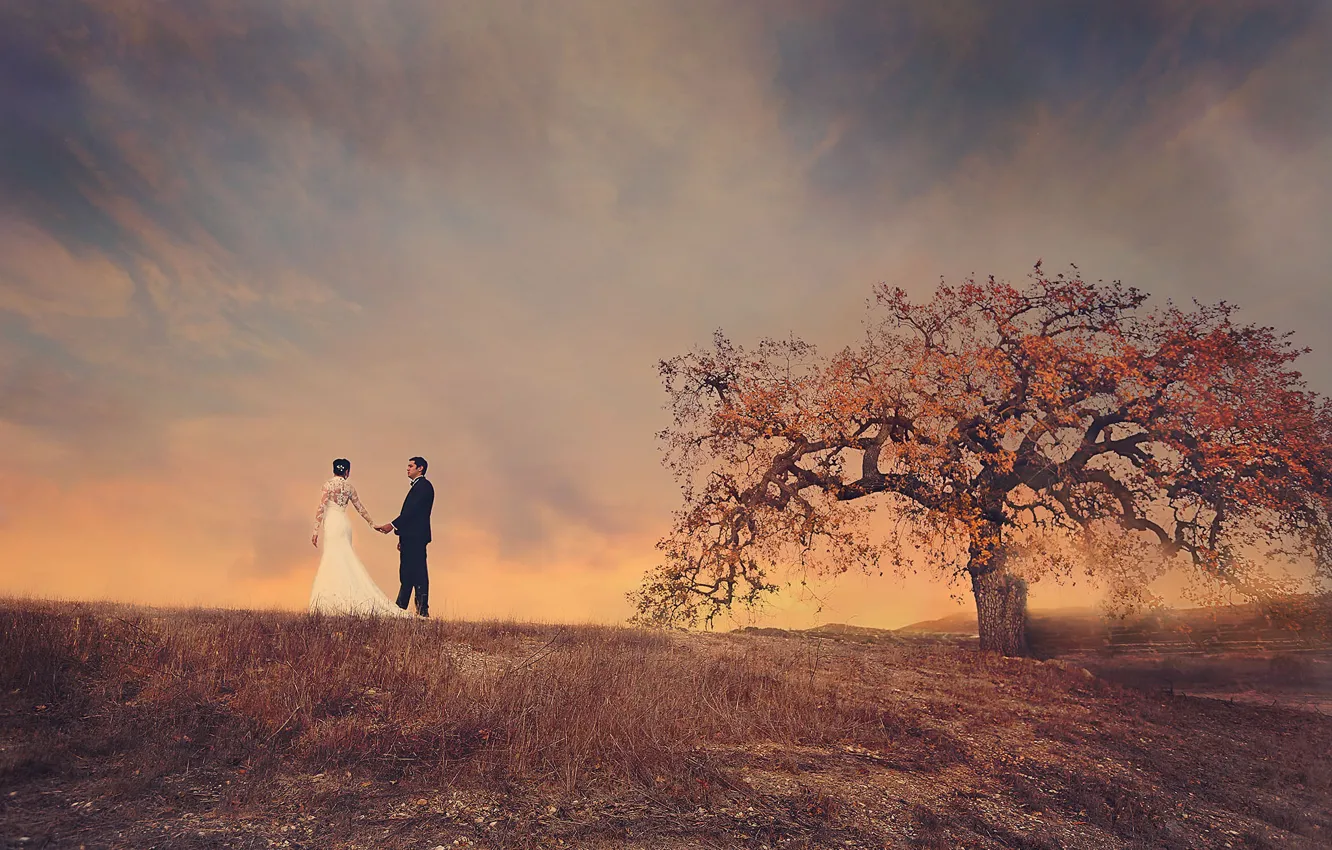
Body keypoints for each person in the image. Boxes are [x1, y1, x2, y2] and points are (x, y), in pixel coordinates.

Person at [309, 458, 408, 617]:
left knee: (332, 557)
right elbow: (360, 508)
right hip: (344, 523)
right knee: (345, 556)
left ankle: (331, 598)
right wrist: (372, 523)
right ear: (347, 472)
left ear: (334, 470)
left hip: (333, 524)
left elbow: (321, 507)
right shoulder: (349, 488)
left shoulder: (327, 486)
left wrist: (315, 531)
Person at [375, 456, 434, 617]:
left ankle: (422, 610)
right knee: (407, 573)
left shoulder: (424, 487)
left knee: (419, 573)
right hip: (410, 537)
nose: (407, 468)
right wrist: (401, 538)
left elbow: (412, 512)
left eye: (410, 466)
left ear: (420, 468)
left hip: (416, 537)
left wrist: (391, 526)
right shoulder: (417, 487)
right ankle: (400, 608)